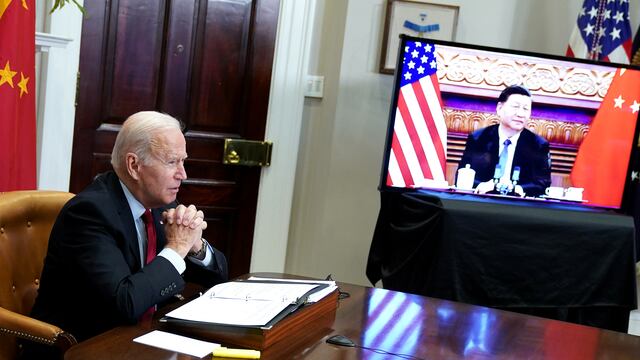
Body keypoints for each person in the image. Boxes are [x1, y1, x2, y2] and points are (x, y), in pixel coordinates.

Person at [24, 111, 228, 357]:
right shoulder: (89, 213)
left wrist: (196, 247)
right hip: (86, 347)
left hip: (144, 340)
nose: (182, 174)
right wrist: (176, 249)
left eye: (183, 161)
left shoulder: (161, 203)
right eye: (172, 162)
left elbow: (219, 277)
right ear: (134, 165)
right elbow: (125, 303)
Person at [457, 85, 551, 197]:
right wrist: (481, 185)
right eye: (515, 107)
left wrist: (518, 188)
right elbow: (463, 176)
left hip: (518, 205)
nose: (521, 114)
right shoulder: (479, 138)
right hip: (482, 201)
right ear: (500, 108)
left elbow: (543, 184)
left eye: (525, 109)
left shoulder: (538, 144)